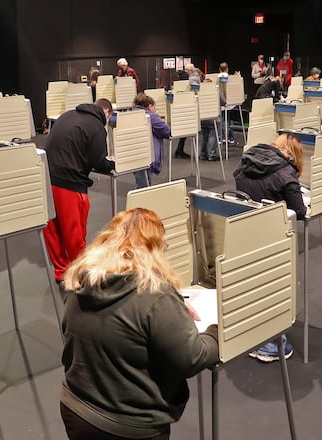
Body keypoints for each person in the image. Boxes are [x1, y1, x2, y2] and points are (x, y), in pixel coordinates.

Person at [60, 207, 219, 440]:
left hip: (77, 410)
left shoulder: (80, 281)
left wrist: (169, 311)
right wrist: (216, 331)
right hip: (131, 425)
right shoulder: (155, 295)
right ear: (154, 250)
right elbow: (192, 358)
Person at [233, 133, 304, 361]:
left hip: (243, 231)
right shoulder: (286, 172)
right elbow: (299, 211)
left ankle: (249, 334)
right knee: (274, 284)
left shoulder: (247, 160)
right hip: (272, 236)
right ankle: (270, 345)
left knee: (251, 283)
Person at [43, 98, 116, 284]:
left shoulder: (67, 115)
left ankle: (61, 271)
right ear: (107, 113)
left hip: (45, 178)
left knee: (53, 230)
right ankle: (80, 275)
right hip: (70, 184)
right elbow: (99, 161)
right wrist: (111, 163)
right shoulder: (97, 126)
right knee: (74, 233)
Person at [132, 93, 171, 189]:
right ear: (149, 106)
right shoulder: (151, 117)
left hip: (135, 155)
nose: (155, 110)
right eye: (154, 107)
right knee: (144, 186)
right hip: (148, 156)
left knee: (141, 183)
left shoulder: (131, 114)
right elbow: (167, 131)